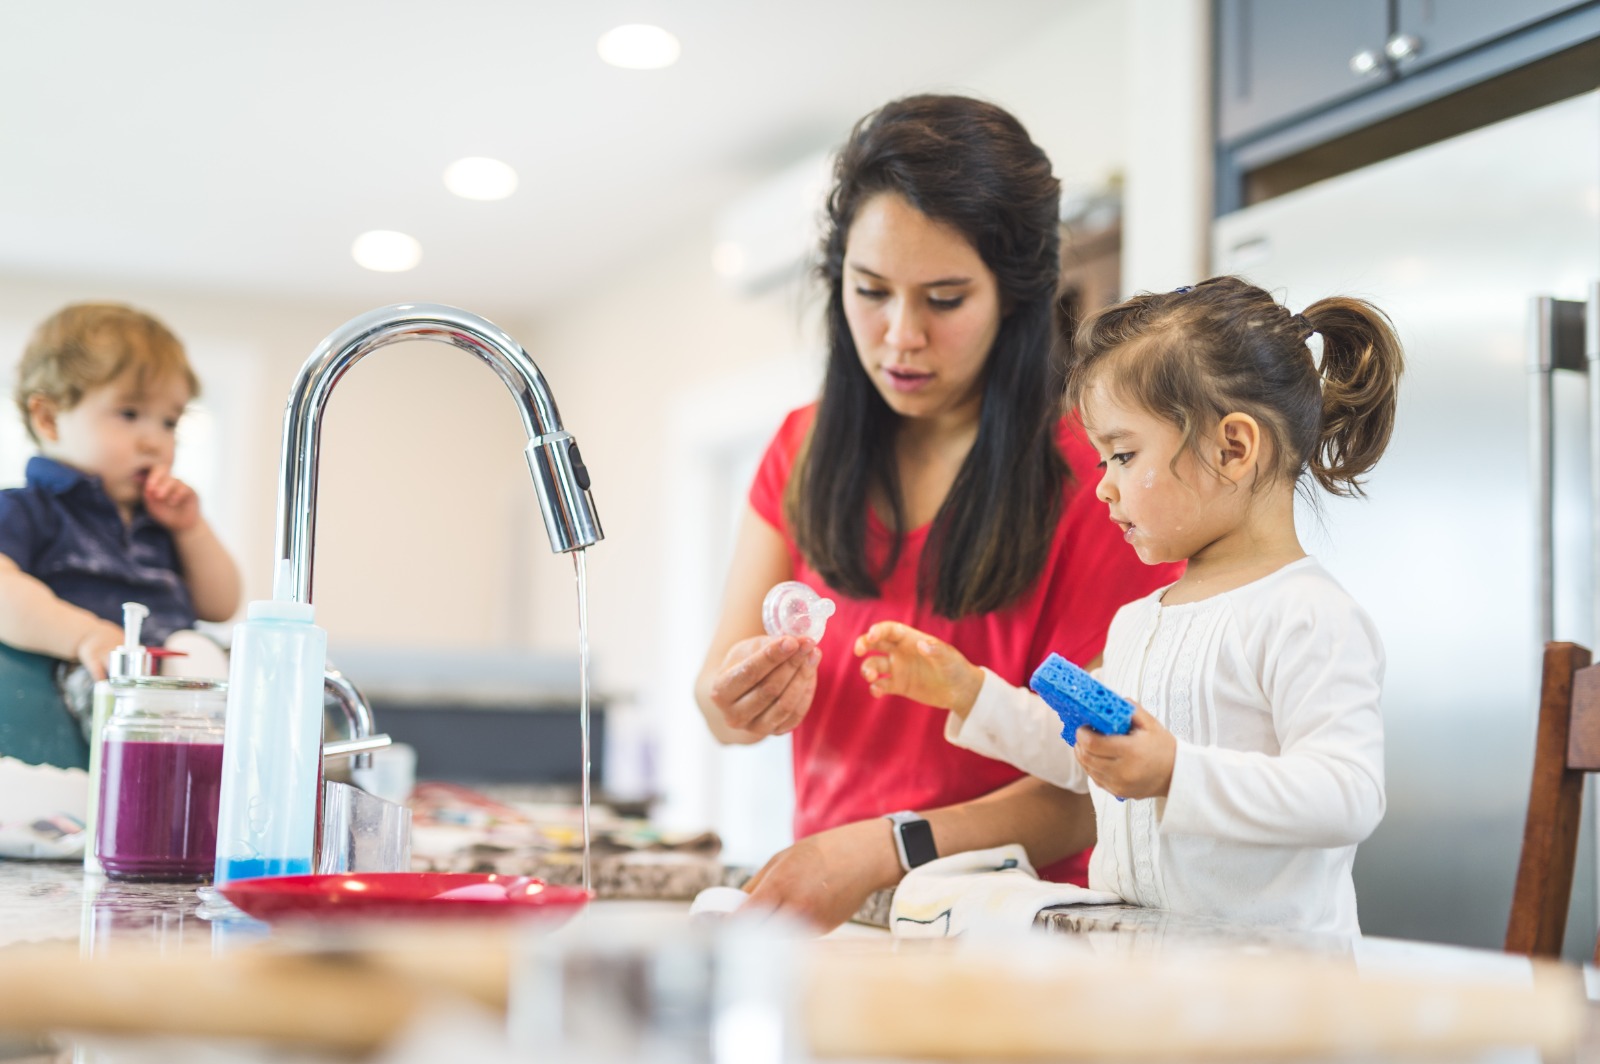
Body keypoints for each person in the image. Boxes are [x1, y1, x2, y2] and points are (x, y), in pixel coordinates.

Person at [695, 94, 1177, 923]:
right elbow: (716, 701)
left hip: (1013, 927)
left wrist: (887, 843)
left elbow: (1097, 777)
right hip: (837, 910)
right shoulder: (800, 450)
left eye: (945, 299)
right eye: (870, 291)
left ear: (1015, 296)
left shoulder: (1098, 477)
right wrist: (735, 701)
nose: (899, 336)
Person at [854, 275, 1402, 935]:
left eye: (1122, 454)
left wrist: (1176, 771)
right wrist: (971, 692)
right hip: (1144, 966)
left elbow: (1348, 794)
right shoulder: (1139, 619)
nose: (1104, 490)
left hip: (1273, 991)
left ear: (1233, 448)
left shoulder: (1309, 615)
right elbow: (1090, 758)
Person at [0, 302, 241, 707]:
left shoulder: (161, 520)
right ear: (49, 419)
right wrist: (84, 635)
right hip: (91, 680)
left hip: (182, 677)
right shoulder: (27, 510)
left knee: (235, 664)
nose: (155, 441)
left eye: (169, 422)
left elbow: (221, 605)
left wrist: (190, 529)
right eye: (129, 413)